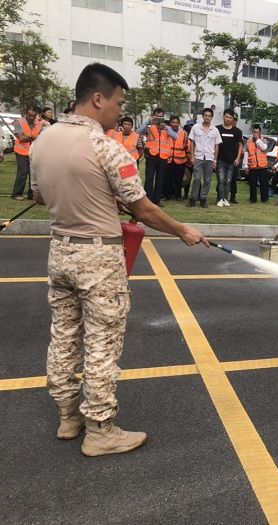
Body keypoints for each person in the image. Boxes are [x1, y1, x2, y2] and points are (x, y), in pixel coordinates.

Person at [29, 62, 208, 457]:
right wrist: (183, 230)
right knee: (102, 342)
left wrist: (92, 197)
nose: (120, 111)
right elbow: (143, 209)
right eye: (119, 103)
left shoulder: (43, 140)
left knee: (63, 335)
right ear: (98, 98)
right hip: (98, 257)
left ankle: (68, 417)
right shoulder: (105, 147)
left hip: (60, 251)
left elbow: (40, 196)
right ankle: (100, 430)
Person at [137, 108, 178, 206]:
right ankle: (148, 199)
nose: (159, 118)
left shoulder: (167, 128)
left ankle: (157, 199)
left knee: (160, 179)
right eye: (157, 116)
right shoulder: (149, 126)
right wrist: (148, 121)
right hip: (151, 154)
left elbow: (175, 137)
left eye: (161, 116)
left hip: (163, 156)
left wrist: (166, 128)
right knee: (149, 178)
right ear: (154, 116)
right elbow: (138, 131)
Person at [187, 107, 222, 208]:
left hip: (209, 158)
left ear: (212, 117)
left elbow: (217, 145)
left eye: (209, 116)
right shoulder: (196, 127)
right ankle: (193, 199)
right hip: (198, 157)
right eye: (206, 115)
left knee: (207, 180)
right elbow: (192, 142)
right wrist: (192, 156)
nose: (207, 117)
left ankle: (203, 199)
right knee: (197, 179)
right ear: (202, 116)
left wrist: (215, 160)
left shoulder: (215, 130)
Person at [11, 106, 46, 201]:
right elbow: (21, 138)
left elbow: (42, 137)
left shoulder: (39, 124)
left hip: (34, 151)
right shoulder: (18, 122)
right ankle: (17, 194)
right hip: (21, 151)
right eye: (30, 115)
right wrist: (35, 137)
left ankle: (32, 194)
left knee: (33, 174)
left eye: (34, 116)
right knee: (23, 172)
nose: (31, 117)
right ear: (26, 113)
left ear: (37, 115)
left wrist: (28, 137)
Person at [215, 108, 243, 207]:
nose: (228, 119)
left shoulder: (237, 131)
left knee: (228, 181)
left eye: (230, 117)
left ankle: (226, 199)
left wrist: (238, 158)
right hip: (220, 160)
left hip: (232, 161)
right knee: (221, 180)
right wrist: (214, 159)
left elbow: (240, 145)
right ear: (223, 117)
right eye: (226, 117)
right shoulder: (217, 129)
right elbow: (214, 144)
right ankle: (220, 198)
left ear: (232, 119)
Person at [163, 116, 189, 201]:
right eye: (173, 122)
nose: (174, 124)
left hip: (180, 159)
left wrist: (188, 158)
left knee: (179, 179)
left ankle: (178, 195)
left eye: (176, 122)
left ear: (179, 123)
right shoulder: (165, 132)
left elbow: (186, 146)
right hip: (168, 159)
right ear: (170, 123)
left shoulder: (184, 133)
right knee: (167, 178)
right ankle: (167, 195)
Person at [242, 124, 270, 203]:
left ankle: (264, 199)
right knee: (252, 184)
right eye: (254, 132)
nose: (256, 134)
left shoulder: (263, 140)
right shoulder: (248, 142)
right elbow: (246, 154)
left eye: (257, 132)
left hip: (263, 166)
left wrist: (257, 139)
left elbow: (264, 148)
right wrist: (245, 166)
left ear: (260, 133)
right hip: (253, 166)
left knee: (264, 184)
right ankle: (253, 199)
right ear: (252, 132)